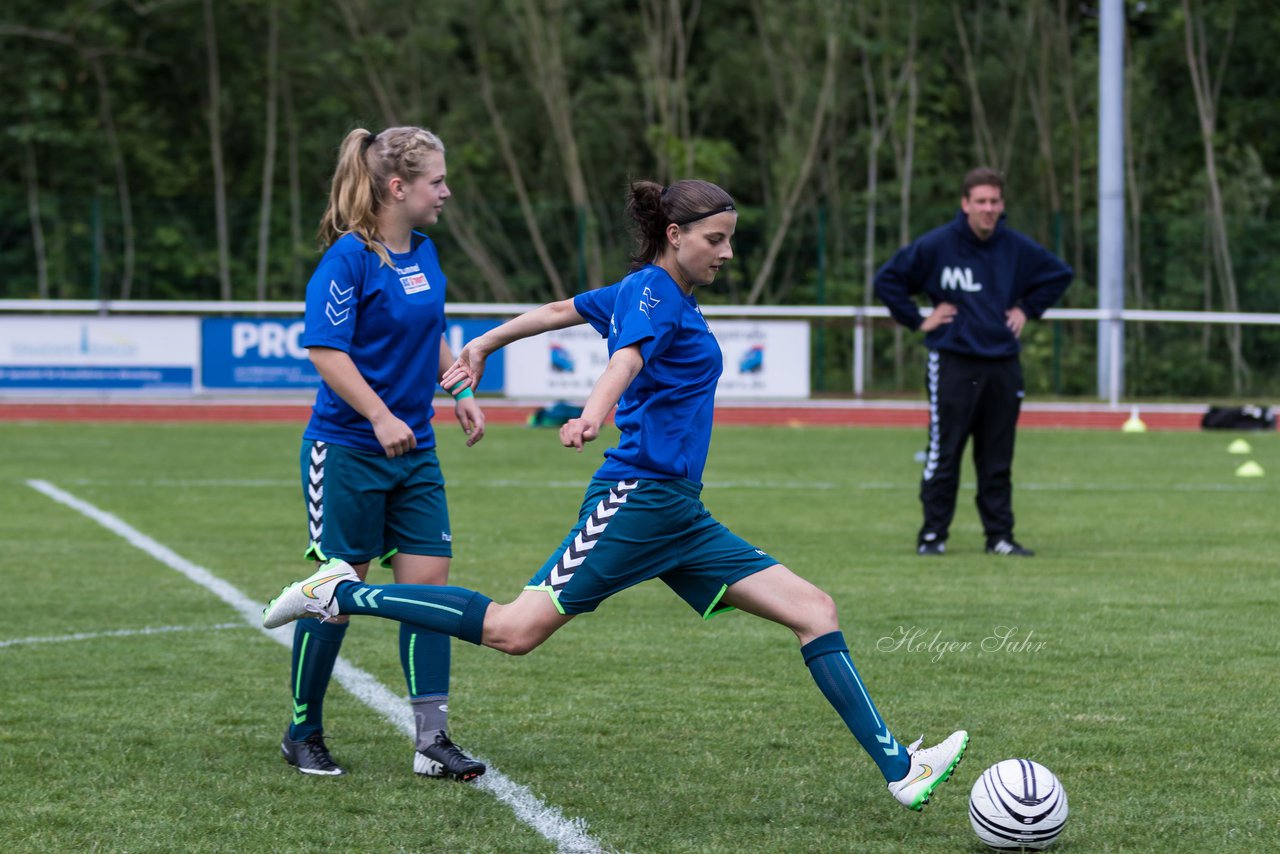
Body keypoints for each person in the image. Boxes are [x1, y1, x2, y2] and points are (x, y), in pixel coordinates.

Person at [265, 178, 969, 811]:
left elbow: (558, 309)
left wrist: (483, 346)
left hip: (679, 515)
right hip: (635, 501)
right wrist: (593, 414)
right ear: (675, 236)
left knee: (814, 609)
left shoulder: (645, 290)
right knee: (515, 631)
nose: (726, 253)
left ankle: (900, 768)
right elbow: (626, 358)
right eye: (715, 239)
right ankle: (339, 593)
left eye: (730, 239)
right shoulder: (656, 294)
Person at [279, 126, 487, 780]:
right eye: (437, 181)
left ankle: (432, 742)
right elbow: (325, 350)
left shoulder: (425, 252)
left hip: (416, 454)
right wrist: (378, 414)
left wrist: (459, 392)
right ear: (398, 187)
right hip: (346, 451)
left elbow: (434, 335)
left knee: (428, 593)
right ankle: (302, 731)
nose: (446, 191)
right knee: (337, 592)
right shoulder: (347, 259)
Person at [874, 167, 1073, 557]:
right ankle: (933, 536)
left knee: (997, 457)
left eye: (994, 202)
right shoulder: (937, 246)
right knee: (944, 453)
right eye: (980, 201)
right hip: (953, 362)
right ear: (965, 204)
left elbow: (1059, 274)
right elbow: (888, 280)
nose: (988, 209)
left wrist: (1027, 308)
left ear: (1002, 205)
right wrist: (919, 319)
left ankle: (999, 537)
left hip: (1002, 364)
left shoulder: (1015, 247)